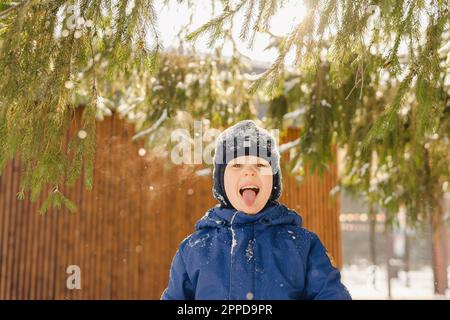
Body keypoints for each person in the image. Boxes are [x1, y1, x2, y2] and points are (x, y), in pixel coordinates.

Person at [161, 120, 351, 300]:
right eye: (237, 165)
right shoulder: (194, 250)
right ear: (221, 181)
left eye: (260, 165)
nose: (249, 172)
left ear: (274, 181)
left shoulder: (302, 246)